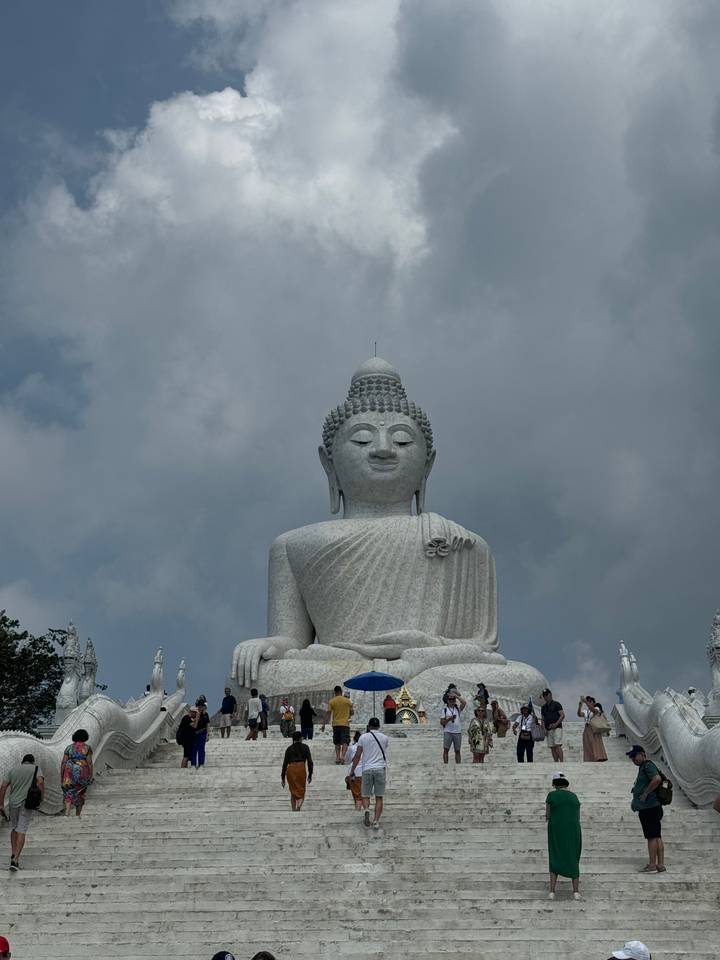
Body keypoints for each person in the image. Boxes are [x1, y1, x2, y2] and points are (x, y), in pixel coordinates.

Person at [1, 754, 45, 871]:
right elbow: (40, 782)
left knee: (15, 828)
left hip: (13, 803)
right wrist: (41, 797)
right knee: (22, 829)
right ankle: (15, 860)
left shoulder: (13, 770)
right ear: (32, 761)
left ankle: (13, 852)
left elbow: (3, 786)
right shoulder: (36, 768)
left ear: (23, 761)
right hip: (27, 803)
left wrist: (1, 804)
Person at [626, 744, 666, 873]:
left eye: (635, 756)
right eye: (631, 757)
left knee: (651, 837)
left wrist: (645, 793)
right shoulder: (644, 767)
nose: (633, 759)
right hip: (652, 807)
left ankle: (652, 864)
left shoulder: (648, 765)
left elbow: (657, 779)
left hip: (649, 807)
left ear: (643, 754)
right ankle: (660, 864)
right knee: (657, 835)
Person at [545, 771, 582, 900]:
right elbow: (577, 816)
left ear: (555, 784)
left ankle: (552, 891)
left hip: (556, 828)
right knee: (573, 855)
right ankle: (576, 891)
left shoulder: (552, 795)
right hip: (573, 829)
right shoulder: (574, 796)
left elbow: (548, 815)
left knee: (555, 854)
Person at [350, 717, 389, 829]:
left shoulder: (363, 737)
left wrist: (352, 770)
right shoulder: (385, 738)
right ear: (379, 726)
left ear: (369, 726)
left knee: (365, 795)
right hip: (380, 768)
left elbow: (357, 755)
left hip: (366, 768)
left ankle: (366, 809)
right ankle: (376, 821)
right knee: (379, 797)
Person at [61, 729, 94, 816]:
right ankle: (78, 814)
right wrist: (90, 775)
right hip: (82, 771)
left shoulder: (69, 747)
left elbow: (63, 762)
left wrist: (62, 774)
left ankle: (67, 812)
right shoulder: (87, 748)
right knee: (81, 792)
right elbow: (89, 763)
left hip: (69, 771)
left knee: (68, 791)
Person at [281, 730, 313, 811]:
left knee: (293, 789)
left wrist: (283, 778)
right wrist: (310, 774)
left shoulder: (289, 749)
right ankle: (299, 806)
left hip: (291, 768)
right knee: (301, 789)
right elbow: (310, 761)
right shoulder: (305, 747)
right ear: (301, 738)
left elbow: (285, 764)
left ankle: (293, 809)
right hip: (301, 768)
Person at [323, 685, 354, 763]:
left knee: (337, 742)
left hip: (336, 724)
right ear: (341, 691)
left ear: (335, 692)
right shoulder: (348, 701)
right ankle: (343, 757)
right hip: (345, 724)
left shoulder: (332, 701)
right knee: (345, 741)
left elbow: (328, 713)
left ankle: (337, 758)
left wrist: (323, 724)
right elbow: (352, 712)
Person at [577, 695, 608, 762]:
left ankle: (598, 757)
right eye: (588, 701)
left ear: (593, 702)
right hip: (587, 727)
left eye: (590, 701)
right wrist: (580, 705)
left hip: (594, 727)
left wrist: (586, 702)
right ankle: (589, 758)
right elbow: (579, 714)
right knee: (587, 743)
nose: (589, 702)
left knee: (595, 743)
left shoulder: (597, 708)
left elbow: (593, 710)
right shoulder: (586, 711)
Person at [440, 687, 466, 764]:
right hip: (448, 732)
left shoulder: (457, 709)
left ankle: (458, 765)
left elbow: (464, 703)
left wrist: (456, 696)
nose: (452, 701)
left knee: (457, 750)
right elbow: (442, 723)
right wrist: (449, 719)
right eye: (450, 699)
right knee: (446, 749)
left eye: (453, 699)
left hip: (457, 732)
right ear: (447, 701)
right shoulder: (444, 710)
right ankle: (445, 765)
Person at [541, 688, 565, 762]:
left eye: (547, 695)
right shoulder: (543, 707)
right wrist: (544, 729)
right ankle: (555, 762)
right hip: (548, 729)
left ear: (550, 695)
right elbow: (542, 719)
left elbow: (562, 715)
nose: (545, 697)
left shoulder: (556, 704)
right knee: (552, 747)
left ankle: (561, 762)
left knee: (557, 745)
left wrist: (556, 724)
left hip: (557, 727)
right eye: (544, 695)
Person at [344, 731, 364, 810]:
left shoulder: (352, 748)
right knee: (364, 794)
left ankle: (358, 810)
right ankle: (364, 809)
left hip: (355, 772)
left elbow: (347, 759)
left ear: (354, 739)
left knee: (356, 794)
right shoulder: (366, 747)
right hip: (365, 771)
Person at [191, 698, 210, 770]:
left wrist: (208, 734)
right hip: (194, 733)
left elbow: (207, 724)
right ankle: (193, 764)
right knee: (194, 749)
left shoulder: (206, 714)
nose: (200, 707)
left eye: (202, 706)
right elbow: (191, 723)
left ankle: (201, 764)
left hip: (202, 733)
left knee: (201, 749)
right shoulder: (194, 713)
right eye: (199, 706)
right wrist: (197, 716)